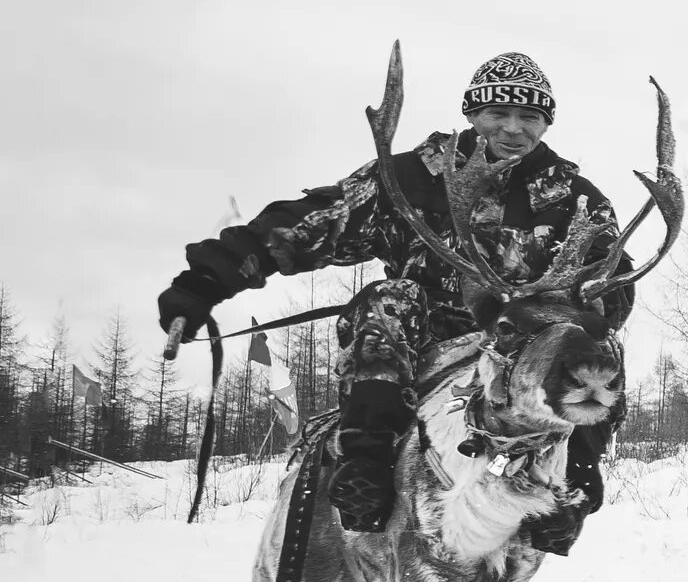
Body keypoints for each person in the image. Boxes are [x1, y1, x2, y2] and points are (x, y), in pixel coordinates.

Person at [153, 53, 628, 548]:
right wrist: (205, 284)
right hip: (419, 337)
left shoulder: (574, 197)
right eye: (497, 114)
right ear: (472, 114)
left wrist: (585, 311)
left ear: (546, 122)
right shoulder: (414, 177)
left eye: (529, 116)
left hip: (517, 350)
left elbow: (613, 283)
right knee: (387, 298)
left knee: (601, 343)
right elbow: (313, 223)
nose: (513, 129)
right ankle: (366, 464)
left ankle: (572, 486)